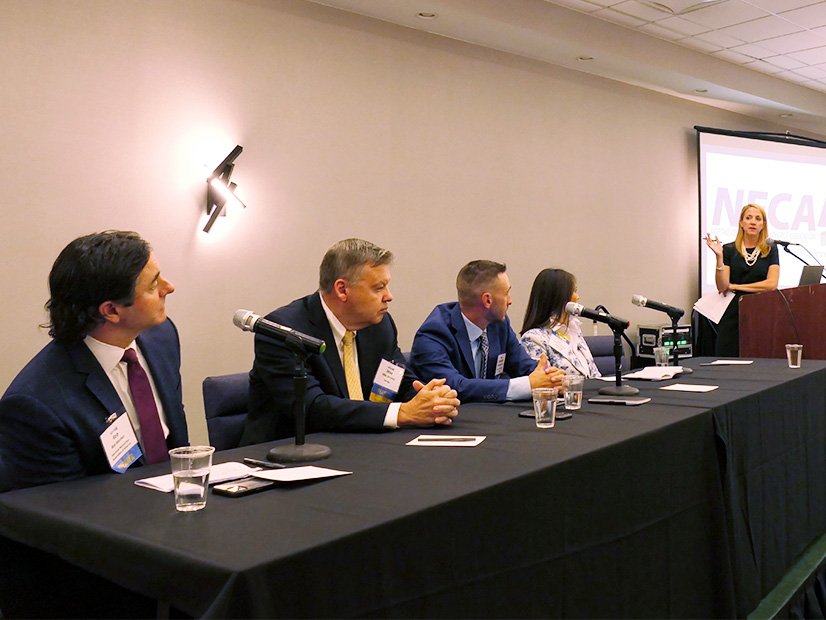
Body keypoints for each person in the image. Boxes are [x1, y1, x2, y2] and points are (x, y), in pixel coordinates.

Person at [0, 231, 188, 491]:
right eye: (152, 285)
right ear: (111, 310)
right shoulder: (36, 405)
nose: (169, 288)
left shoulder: (161, 337)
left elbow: (175, 440)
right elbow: (58, 507)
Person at [240, 239, 460, 444]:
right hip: (286, 453)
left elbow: (397, 381)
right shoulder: (284, 330)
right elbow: (311, 407)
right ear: (342, 290)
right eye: (379, 287)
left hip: (360, 444)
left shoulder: (379, 325)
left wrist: (430, 401)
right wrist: (403, 413)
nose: (389, 296)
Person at [410, 260, 565, 402]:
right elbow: (455, 387)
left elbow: (523, 366)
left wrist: (550, 378)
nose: (510, 301)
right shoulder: (433, 334)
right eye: (506, 293)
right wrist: (527, 385)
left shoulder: (499, 325)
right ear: (487, 300)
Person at [705, 203, 779, 356]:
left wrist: (736, 286)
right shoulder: (729, 249)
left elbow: (772, 284)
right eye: (748, 218)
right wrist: (719, 258)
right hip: (733, 313)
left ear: (763, 225)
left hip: (761, 312)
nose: (753, 222)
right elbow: (722, 286)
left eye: (758, 219)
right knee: (728, 357)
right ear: (741, 223)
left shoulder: (770, 249)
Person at [519, 268, 601, 378]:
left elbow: (594, 375)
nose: (577, 297)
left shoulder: (574, 332)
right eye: (573, 291)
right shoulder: (534, 338)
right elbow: (544, 382)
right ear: (559, 297)